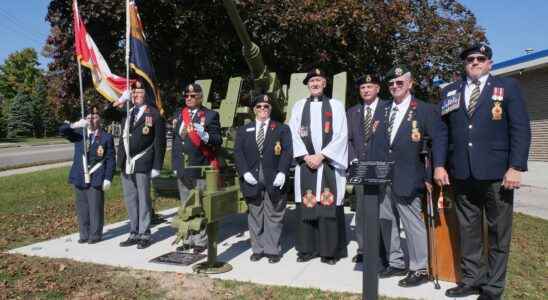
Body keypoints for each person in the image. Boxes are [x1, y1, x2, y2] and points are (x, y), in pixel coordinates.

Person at [433, 44, 531, 300]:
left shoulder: (507, 87)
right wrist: (440, 164)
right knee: (468, 231)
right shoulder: (451, 91)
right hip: (462, 172)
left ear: (489, 63)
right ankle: (472, 280)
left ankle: (493, 288)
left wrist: (516, 166)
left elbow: (520, 128)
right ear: (464, 64)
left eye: (480, 58)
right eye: (470, 59)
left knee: (498, 232)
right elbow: (443, 131)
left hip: (498, 174)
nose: (475, 62)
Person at [379, 65, 440, 287]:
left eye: (399, 82)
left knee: (412, 223)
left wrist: (430, 173)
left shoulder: (424, 110)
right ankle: (395, 262)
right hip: (383, 176)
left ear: (410, 84)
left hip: (410, 175)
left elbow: (436, 143)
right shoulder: (383, 109)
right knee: (387, 221)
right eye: (391, 84)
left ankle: (419, 268)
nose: (395, 86)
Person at [288, 68, 348, 265]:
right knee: (307, 205)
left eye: (319, 80)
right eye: (312, 80)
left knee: (328, 207)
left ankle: (329, 252)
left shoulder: (335, 106)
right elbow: (293, 134)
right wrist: (306, 157)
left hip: (327, 165)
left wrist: (322, 156)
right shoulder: (298, 106)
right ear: (308, 84)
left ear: (324, 83)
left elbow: (341, 135)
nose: (315, 83)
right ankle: (306, 249)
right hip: (306, 165)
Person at [346, 74, 405, 271]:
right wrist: (352, 159)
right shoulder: (353, 112)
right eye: (362, 87)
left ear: (378, 89)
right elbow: (348, 140)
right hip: (361, 170)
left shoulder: (388, 108)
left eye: (369, 86)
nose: (366, 90)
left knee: (386, 213)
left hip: (382, 169)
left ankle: (387, 251)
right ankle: (364, 250)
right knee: (362, 212)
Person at [234, 94, 293, 264]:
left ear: (270, 109)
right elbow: (238, 152)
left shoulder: (281, 128)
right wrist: (244, 172)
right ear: (254, 110)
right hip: (251, 176)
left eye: (266, 107)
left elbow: (287, 152)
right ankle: (258, 249)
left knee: (274, 213)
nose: (262, 110)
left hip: (274, 176)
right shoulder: (244, 130)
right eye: (259, 107)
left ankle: (272, 250)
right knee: (255, 213)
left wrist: (282, 172)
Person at [171, 83, 222, 253]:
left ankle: (200, 241)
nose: (189, 98)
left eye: (193, 96)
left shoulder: (210, 115)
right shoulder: (180, 114)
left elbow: (217, 141)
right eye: (186, 96)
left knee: (199, 205)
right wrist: (175, 164)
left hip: (200, 166)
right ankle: (187, 238)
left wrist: (204, 134)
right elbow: (176, 141)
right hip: (182, 167)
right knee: (186, 205)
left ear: (200, 96)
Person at [117, 79, 166, 249]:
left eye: (140, 93)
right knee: (130, 199)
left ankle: (145, 233)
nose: (136, 95)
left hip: (143, 161)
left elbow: (160, 142)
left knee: (143, 199)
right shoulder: (127, 112)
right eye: (134, 93)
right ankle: (134, 231)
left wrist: (157, 166)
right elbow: (107, 114)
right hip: (126, 162)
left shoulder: (154, 114)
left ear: (146, 95)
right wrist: (121, 100)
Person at [59, 106, 115, 244]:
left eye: (95, 117)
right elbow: (62, 131)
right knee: (82, 207)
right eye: (89, 117)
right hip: (79, 175)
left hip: (96, 175)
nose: (91, 120)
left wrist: (108, 178)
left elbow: (110, 159)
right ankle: (84, 234)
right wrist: (74, 124)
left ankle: (95, 234)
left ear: (99, 119)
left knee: (95, 207)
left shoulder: (106, 137)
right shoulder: (79, 134)